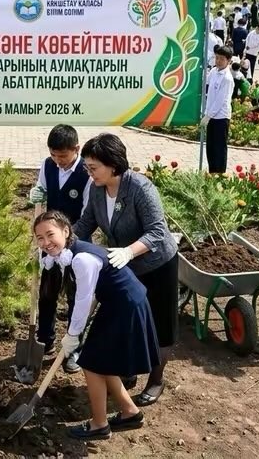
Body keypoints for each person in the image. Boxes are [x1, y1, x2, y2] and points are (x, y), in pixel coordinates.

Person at [33, 211, 159, 441]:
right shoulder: (72, 252)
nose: (45, 242)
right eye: (39, 238)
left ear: (66, 231)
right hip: (118, 303)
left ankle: (99, 425)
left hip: (125, 307)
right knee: (101, 362)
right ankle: (130, 412)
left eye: (50, 234)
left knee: (91, 363)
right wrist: (77, 330)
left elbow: (82, 301)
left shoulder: (82, 259)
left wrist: (73, 335)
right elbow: (90, 295)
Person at [73, 133, 177, 407]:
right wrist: (61, 243)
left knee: (159, 323)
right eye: (87, 167)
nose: (89, 172)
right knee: (130, 320)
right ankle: (128, 371)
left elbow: (157, 231)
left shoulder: (140, 188)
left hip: (157, 264)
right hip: (126, 265)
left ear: (113, 164)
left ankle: (156, 379)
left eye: (93, 167)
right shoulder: (97, 189)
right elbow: (86, 224)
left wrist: (129, 251)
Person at [27, 124, 92, 372]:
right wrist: (37, 194)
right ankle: (45, 339)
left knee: (77, 297)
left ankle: (74, 349)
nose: (58, 161)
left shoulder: (87, 173)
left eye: (63, 156)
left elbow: (88, 213)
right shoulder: (48, 165)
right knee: (47, 293)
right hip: (50, 242)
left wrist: (69, 243)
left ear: (76, 149)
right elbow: (42, 193)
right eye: (54, 155)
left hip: (77, 242)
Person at [202, 46, 233, 174]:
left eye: (222, 59)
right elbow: (205, 83)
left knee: (219, 148)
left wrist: (208, 116)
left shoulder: (227, 78)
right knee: (210, 147)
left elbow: (221, 101)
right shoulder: (214, 71)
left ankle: (220, 174)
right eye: (217, 58)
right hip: (211, 116)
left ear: (228, 60)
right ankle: (212, 172)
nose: (218, 61)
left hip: (221, 117)